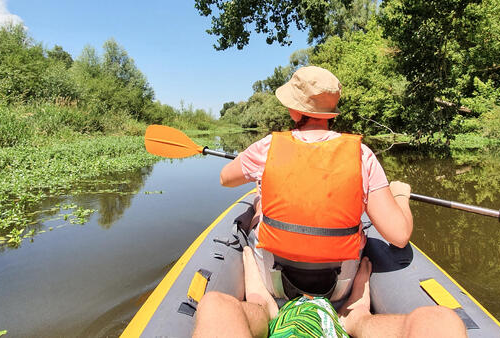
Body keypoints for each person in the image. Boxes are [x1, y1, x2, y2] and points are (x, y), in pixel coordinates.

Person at [219, 66, 413, 301]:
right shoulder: (362, 155)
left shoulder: (267, 147)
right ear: (331, 112)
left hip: (274, 281)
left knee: (259, 205)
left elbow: (225, 179)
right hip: (339, 285)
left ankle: (260, 292)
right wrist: (400, 195)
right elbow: (400, 236)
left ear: (294, 110)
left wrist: (247, 160)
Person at [192, 247, 467, 338]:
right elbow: (258, 300)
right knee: (214, 303)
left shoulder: (341, 319)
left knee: (441, 320)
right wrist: (249, 257)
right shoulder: (275, 313)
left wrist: (362, 279)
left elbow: (358, 316)